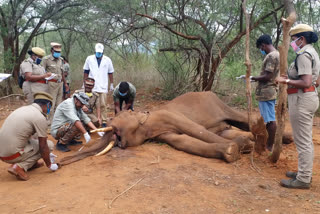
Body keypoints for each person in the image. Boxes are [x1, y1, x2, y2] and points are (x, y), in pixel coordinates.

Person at [276, 24, 319, 189]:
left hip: (302, 100)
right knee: (305, 139)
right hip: (308, 97)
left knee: (303, 141)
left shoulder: (303, 55)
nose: (293, 43)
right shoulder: (313, 52)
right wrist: (292, 78)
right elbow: (315, 79)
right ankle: (303, 173)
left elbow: (306, 81)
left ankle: (303, 179)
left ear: (302, 39)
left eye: (294, 40)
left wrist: (286, 81)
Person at [0, 92, 59, 181]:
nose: (49, 110)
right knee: (49, 145)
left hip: (2, 152)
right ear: (46, 105)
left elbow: (29, 135)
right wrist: (49, 164)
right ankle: (19, 167)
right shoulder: (39, 117)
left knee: (34, 141)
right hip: (11, 155)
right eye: (49, 107)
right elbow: (43, 146)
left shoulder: (24, 109)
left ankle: (31, 164)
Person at [251, 35, 280, 151]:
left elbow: (268, 76)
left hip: (267, 92)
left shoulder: (272, 56)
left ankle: (269, 146)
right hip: (268, 92)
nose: (261, 50)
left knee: (269, 120)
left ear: (263, 45)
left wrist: (253, 78)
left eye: (260, 48)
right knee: (268, 119)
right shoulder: (276, 54)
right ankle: (268, 143)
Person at [83, 43, 114, 127]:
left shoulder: (107, 60)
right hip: (91, 85)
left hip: (103, 85)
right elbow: (86, 71)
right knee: (90, 104)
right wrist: (84, 83)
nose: (98, 54)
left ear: (103, 52)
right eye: (97, 52)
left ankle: (103, 121)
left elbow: (110, 72)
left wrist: (111, 83)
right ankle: (91, 121)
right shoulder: (89, 59)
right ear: (95, 51)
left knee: (103, 104)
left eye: (100, 53)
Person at [43, 42, 69, 126]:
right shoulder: (46, 60)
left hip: (60, 84)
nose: (58, 53)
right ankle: (49, 123)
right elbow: (42, 73)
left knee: (58, 105)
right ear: (51, 51)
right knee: (51, 104)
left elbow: (62, 73)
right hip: (51, 84)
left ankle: (57, 123)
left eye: (59, 51)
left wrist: (65, 84)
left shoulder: (61, 60)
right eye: (56, 51)